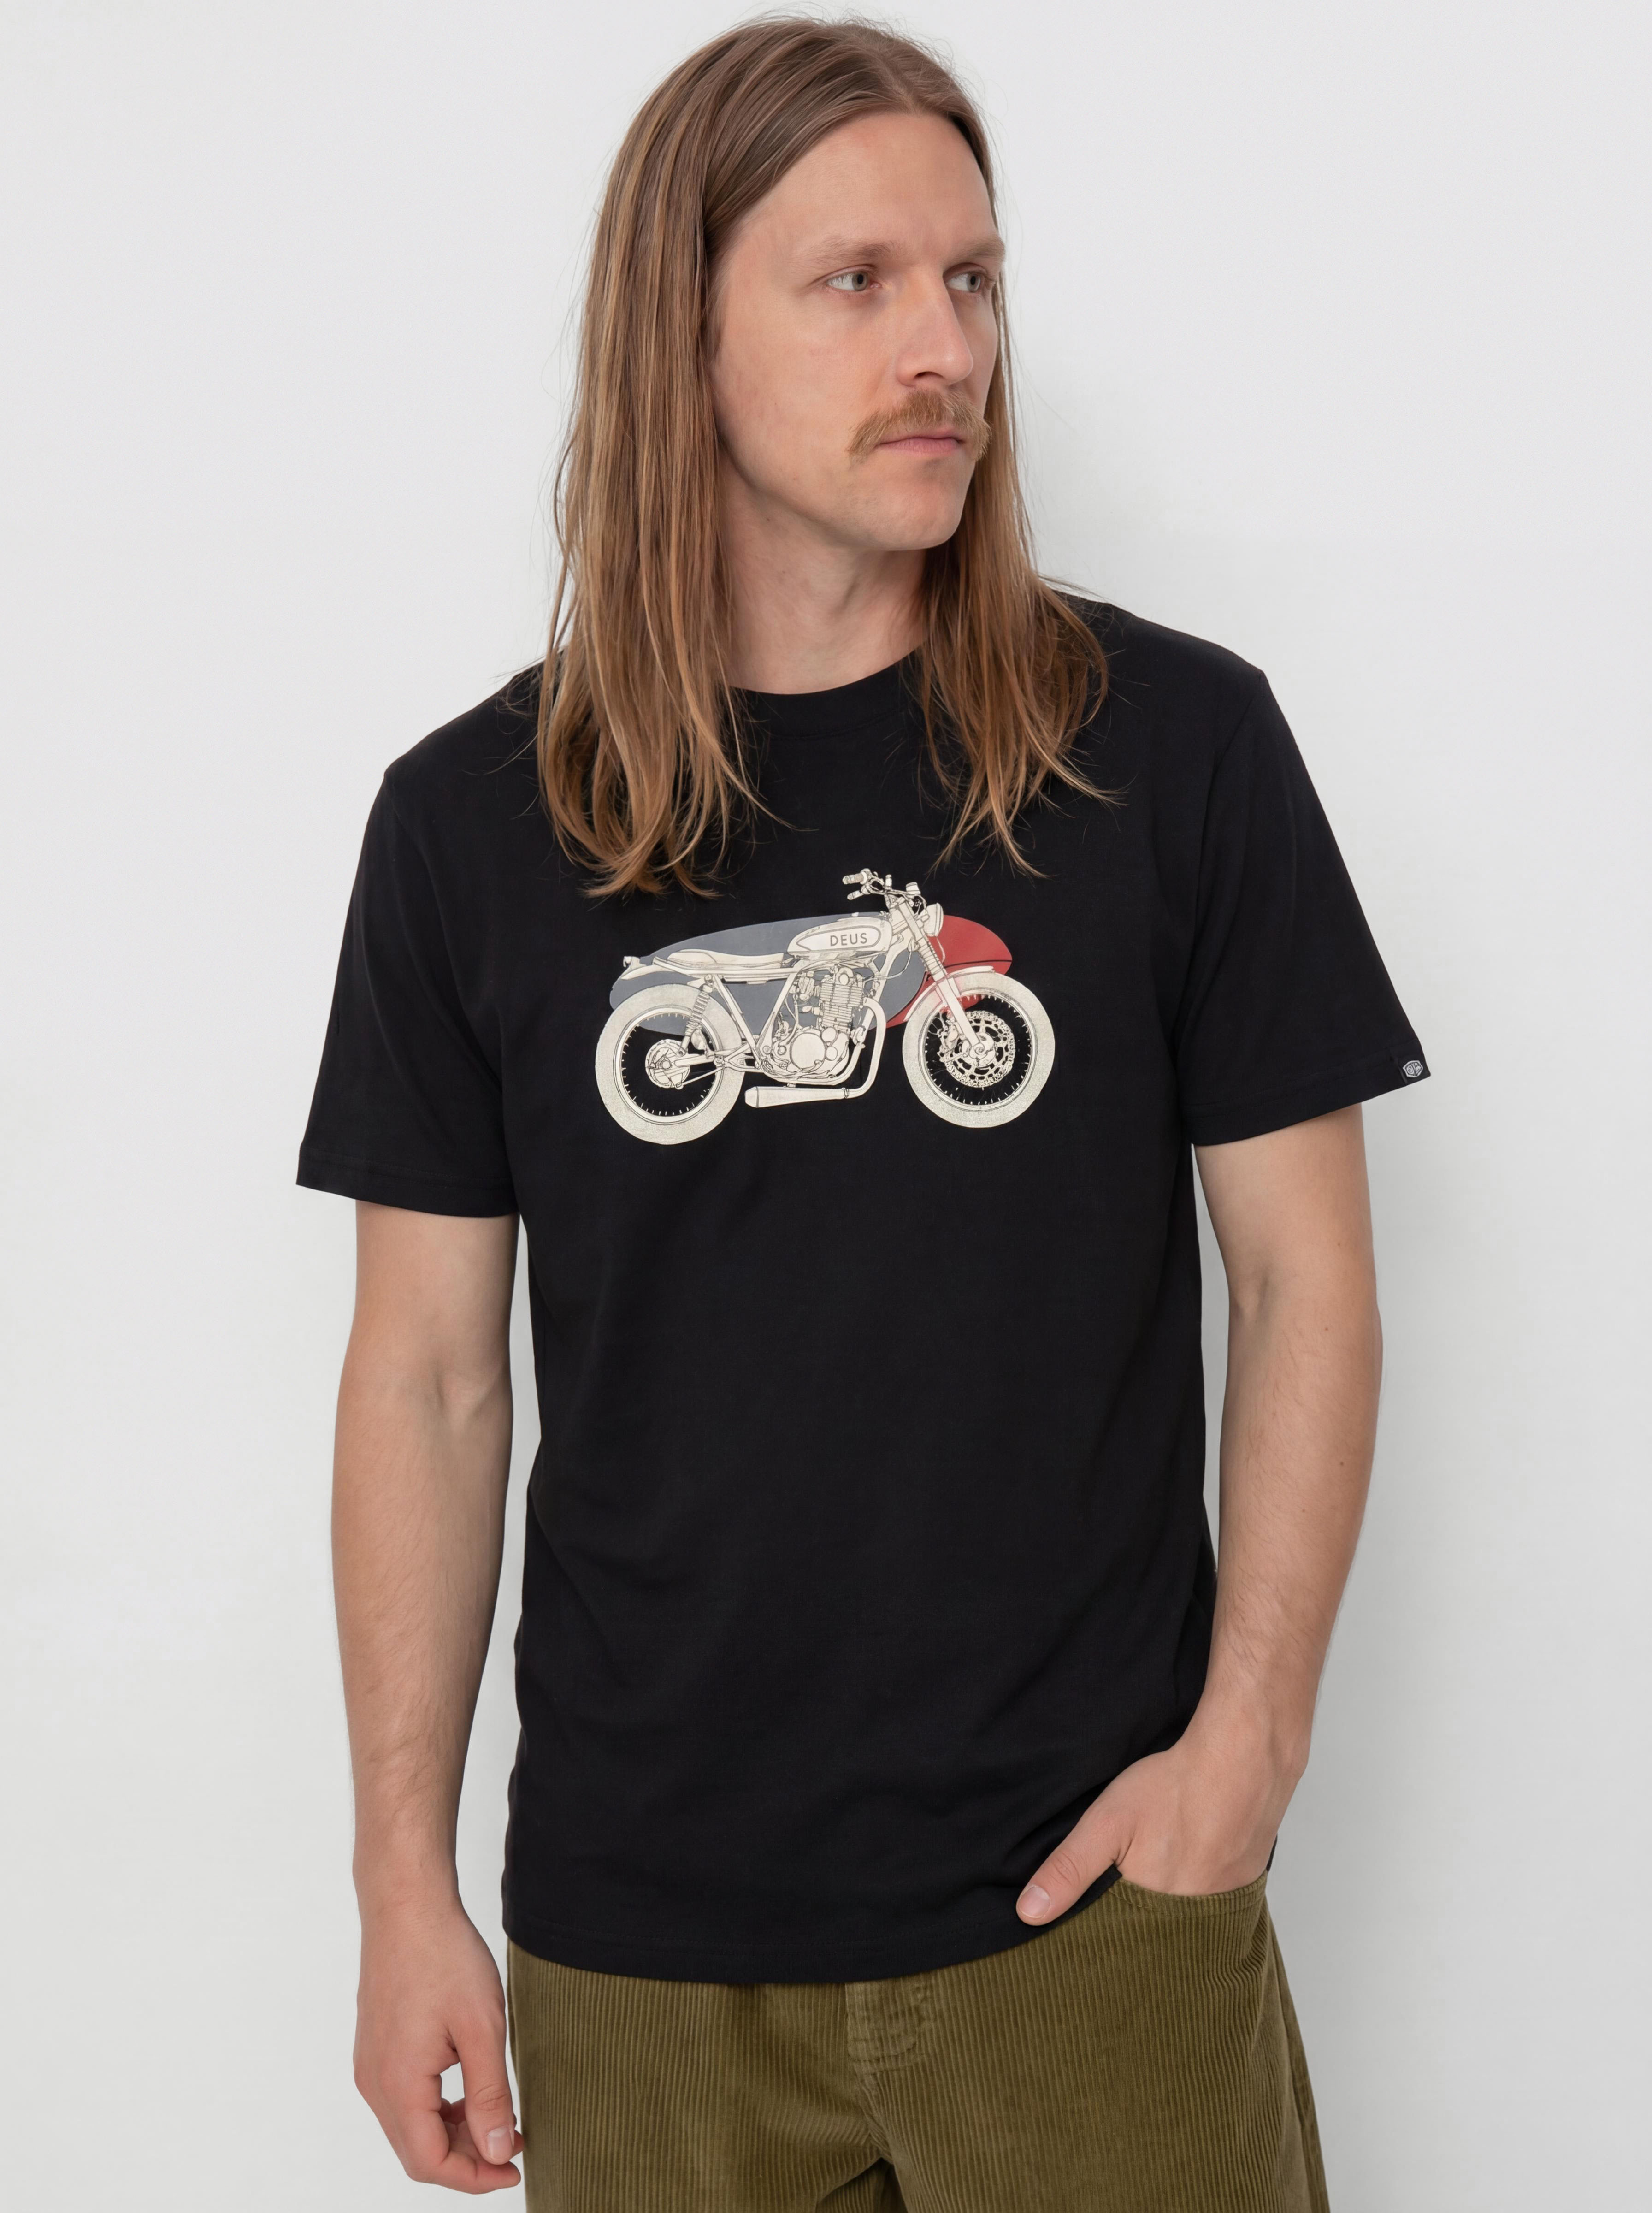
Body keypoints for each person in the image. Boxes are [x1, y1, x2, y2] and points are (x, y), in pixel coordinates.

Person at [298, 18, 1427, 2209]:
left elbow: (1306, 1282)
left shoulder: (1169, 748)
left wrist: (1245, 1753)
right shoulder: (469, 826)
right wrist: (397, 1884)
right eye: (858, 282)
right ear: (683, 329)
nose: (947, 349)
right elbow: (426, 1376)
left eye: (972, 279)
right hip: (639, 1953)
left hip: (1093, 1908)